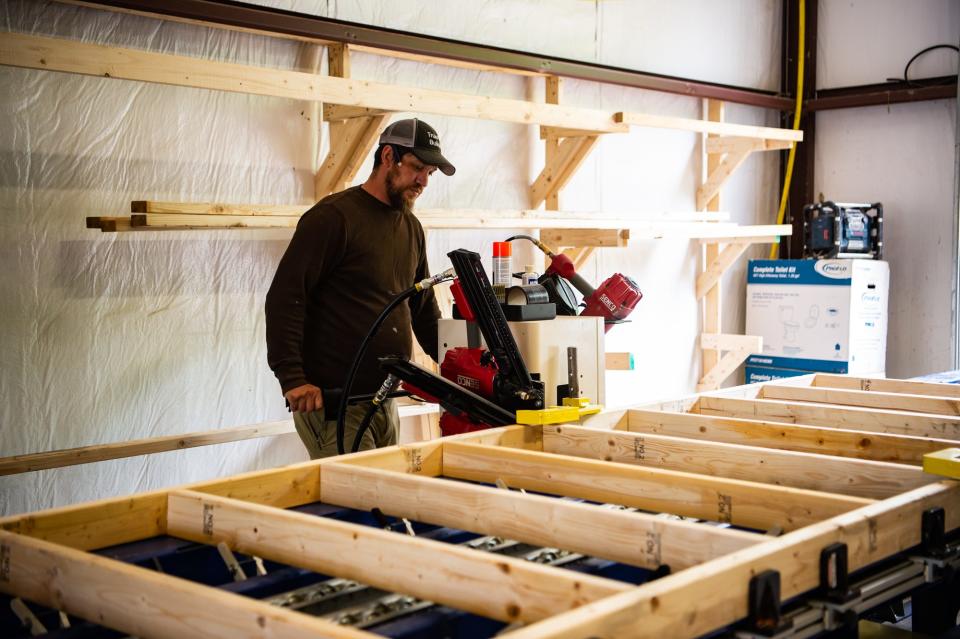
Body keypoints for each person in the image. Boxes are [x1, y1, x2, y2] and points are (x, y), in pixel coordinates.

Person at [265, 118, 454, 458]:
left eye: (430, 173)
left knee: (382, 501)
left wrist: (458, 366)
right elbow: (286, 299)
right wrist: (291, 377)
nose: (424, 181)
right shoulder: (334, 218)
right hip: (337, 404)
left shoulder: (410, 227)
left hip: (384, 401)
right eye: (417, 168)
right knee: (355, 503)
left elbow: (423, 309)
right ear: (387, 157)